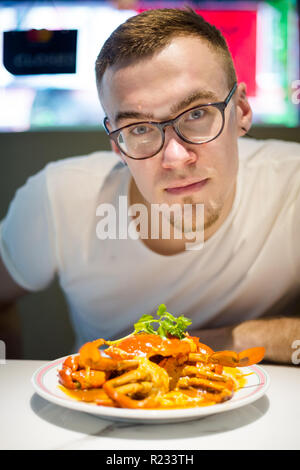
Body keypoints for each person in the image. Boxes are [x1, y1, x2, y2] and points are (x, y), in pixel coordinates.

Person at [0, 8, 299, 364]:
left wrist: (213, 344)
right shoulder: (58, 198)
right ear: (116, 144)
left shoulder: (292, 183)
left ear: (242, 110)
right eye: (139, 128)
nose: (174, 157)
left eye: (197, 114)